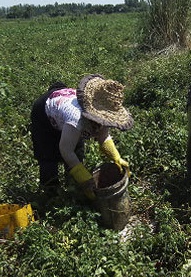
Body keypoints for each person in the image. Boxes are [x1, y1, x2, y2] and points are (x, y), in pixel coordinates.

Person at [30, 74, 133, 202]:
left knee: (77, 152)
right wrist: (84, 178)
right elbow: (66, 150)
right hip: (44, 114)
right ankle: (51, 196)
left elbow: (104, 137)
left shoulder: (105, 112)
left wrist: (116, 158)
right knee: (48, 158)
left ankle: (73, 189)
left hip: (64, 111)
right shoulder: (77, 118)